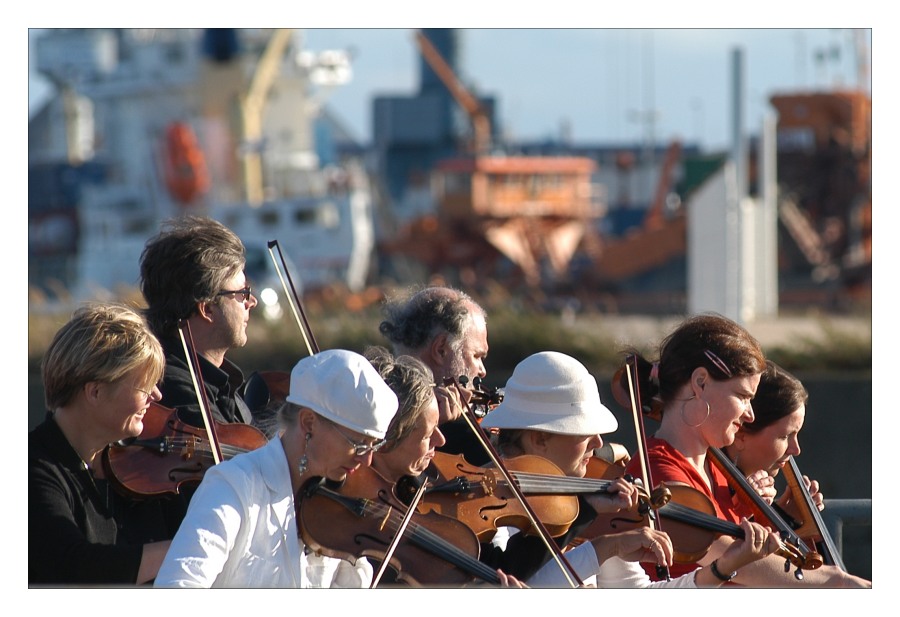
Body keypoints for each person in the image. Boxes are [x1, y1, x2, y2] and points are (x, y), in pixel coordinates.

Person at [478, 351, 780, 588]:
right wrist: (602, 548)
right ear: (540, 437)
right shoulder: (486, 506)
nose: (599, 442)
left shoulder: (592, 502)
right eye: (584, 431)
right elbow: (506, 587)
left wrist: (721, 569)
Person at [622, 313, 870, 587]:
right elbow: (734, 559)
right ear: (700, 382)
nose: (750, 415)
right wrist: (836, 582)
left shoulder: (717, 470)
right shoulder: (660, 472)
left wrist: (784, 519)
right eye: (742, 396)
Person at [154, 349, 399, 588]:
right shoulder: (233, 487)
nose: (366, 461)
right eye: (357, 444)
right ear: (308, 423)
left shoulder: (339, 511)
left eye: (373, 446)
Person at [29, 303, 173, 585]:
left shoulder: (132, 468)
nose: (156, 396)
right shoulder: (31, 468)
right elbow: (73, 566)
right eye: (145, 386)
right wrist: (190, 548)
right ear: (95, 392)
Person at [363, 346, 524, 587]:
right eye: (428, 433)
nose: (441, 440)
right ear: (387, 440)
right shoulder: (354, 521)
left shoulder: (421, 494)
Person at [139, 215, 268, 435]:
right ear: (206, 309)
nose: (251, 301)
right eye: (243, 292)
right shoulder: (175, 390)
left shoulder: (217, 382)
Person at [379, 285, 491, 465]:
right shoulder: (468, 441)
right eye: (476, 356)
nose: (482, 370)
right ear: (441, 350)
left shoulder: (374, 398)